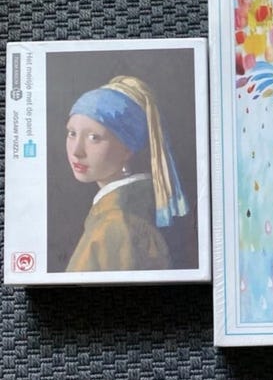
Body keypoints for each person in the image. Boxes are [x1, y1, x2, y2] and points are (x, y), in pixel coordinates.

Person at [65, 75, 188, 272]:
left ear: (127, 148)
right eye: (72, 133)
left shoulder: (116, 224)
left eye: (94, 137)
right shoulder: (121, 211)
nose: (76, 151)